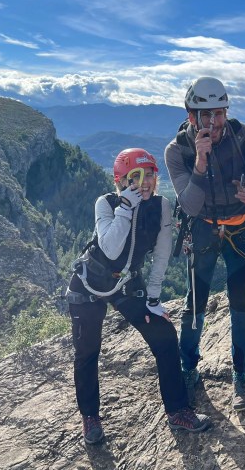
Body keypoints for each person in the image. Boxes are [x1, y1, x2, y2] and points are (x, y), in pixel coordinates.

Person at [66, 148, 211, 444]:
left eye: (149, 176)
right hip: (89, 284)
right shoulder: (106, 203)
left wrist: (154, 298)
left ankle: (178, 410)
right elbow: (109, 249)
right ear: (121, 180)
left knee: (165, 337)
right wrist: (125, 209)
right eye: (136, 176)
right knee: (87, 352)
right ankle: (90, 418)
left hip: (127, 284)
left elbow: (160, 255)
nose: (145, 182)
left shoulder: (161, 206)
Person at [164, 77, 245, 411]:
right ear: (191, 116)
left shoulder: (244, 136)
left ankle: (242, 372)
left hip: (240, 228)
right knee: (195, 304)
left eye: (218, 113)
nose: (213, 122)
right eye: (204, 115)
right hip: (202, 228)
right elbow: (189, 205)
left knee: (240, 303)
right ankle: (188, 367)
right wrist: (201, 163)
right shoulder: (178, 150)